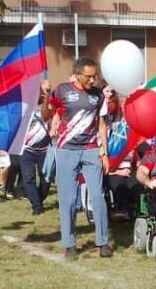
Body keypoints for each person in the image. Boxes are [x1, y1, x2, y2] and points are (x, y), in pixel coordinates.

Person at [48, 57, 112, 259]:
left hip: (91, 150)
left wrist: (104, 153)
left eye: (95, 76)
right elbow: (50, 110)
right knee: (67, 200)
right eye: (89, 77)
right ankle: (70, 244)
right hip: (66, 150)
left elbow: (101, 124)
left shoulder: (98, 96)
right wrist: (46, 102)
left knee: (98, 196)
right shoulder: (62, 90)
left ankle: (102, 242)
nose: (93, 80)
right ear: (77, 75)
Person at [16, 81, 55, 217]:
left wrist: (46, 102)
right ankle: (36, 206)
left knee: (46, 178)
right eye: (43, 90)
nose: (46, 93)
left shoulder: (50, 105)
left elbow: (48, 117)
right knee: (29, 178)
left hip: (44, 150)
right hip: (27, 149)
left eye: (48, 90)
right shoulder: (25, 106)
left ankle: (38, 198)